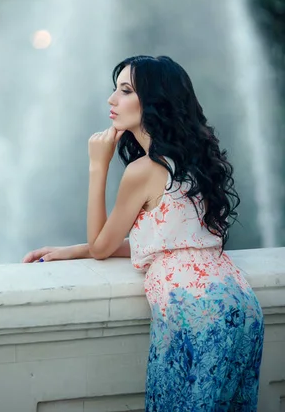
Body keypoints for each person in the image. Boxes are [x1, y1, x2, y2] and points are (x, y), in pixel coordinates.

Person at [22, 54, 264, 411]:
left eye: (124, 91)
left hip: (193, 311)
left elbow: (102, 246)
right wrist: (76, 250)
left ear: (153, 102)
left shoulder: (145, 169)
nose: (111, 100)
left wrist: (97, 165)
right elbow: (165, 244)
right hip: (241, 304)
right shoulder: (192, 162)